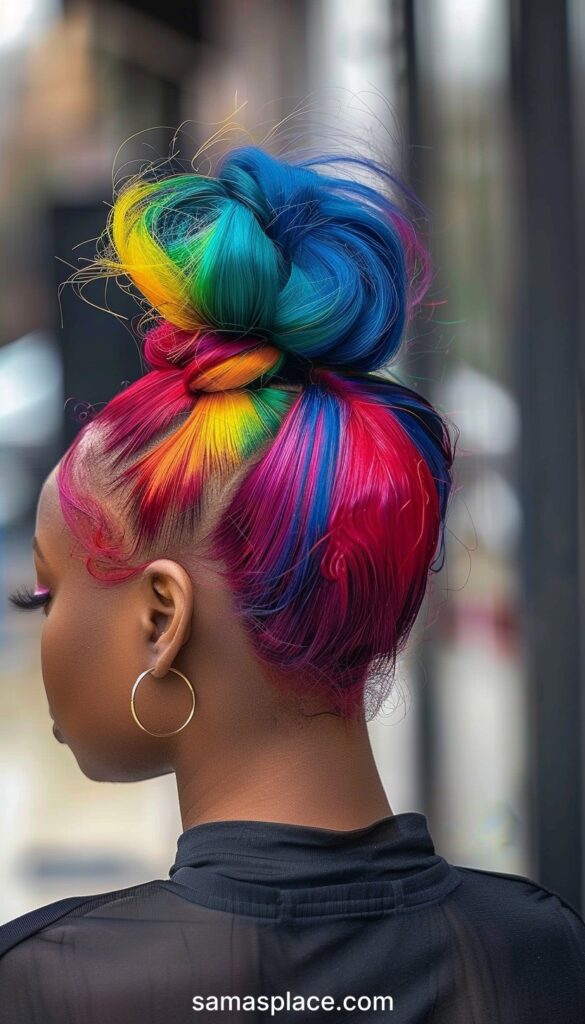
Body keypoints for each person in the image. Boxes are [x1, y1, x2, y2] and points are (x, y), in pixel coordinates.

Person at [1, 139, 584, 1023]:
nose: (41, 629)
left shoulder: (46, 988)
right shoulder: (539, 958)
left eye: (44, 596)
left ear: (162, 618)